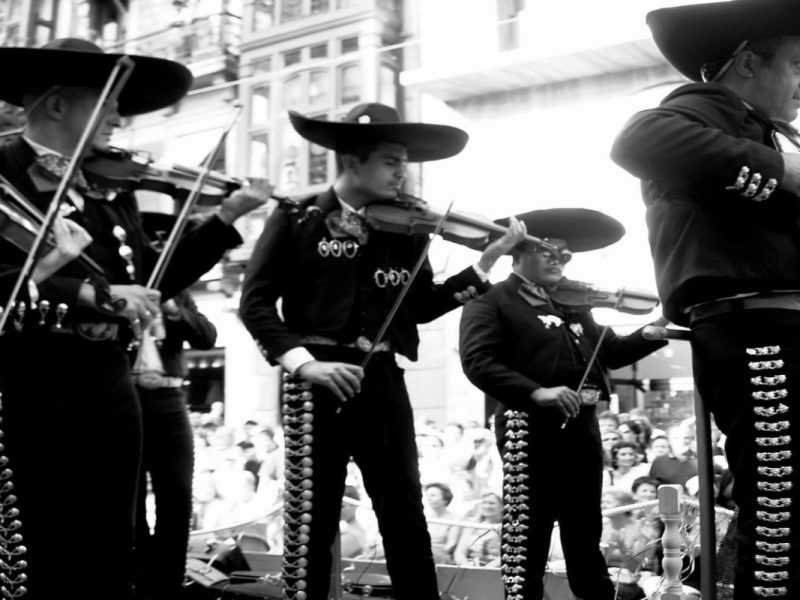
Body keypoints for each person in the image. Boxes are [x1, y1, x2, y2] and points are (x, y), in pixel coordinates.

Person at [0, 38, 271, 600]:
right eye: (109, 102)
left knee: (109, 544)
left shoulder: (104, 185)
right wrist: (88, 292)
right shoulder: (3, 171)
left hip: (107, 383)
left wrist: (222, 220)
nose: (120, 119)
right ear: (56, 105)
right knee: (42, 545)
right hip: (34, 382)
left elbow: (151, 282)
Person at [239, 102, 526, 600]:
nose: (403, 172)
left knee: (404, 510)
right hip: (315, 384)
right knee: (312, 515)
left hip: (383, 378)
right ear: (353, 161)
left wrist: (484, 265)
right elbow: (256, 305)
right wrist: (305, 363)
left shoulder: (408, 228)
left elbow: (418, 308)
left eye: (404, 162)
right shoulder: (296, 217)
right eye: (392, 160)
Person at [610, 2, 800, 596]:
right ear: (747, 62)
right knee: (779, 505)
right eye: (795, 66)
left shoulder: (759, 130)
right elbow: (637, 137)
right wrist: (786, 170)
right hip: (753, 324)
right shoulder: (701, 108)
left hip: (775, 320)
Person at [458, 208, 667, 600]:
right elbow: (478, 361)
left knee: (584, 528)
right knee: (529, 529)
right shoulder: (492, 298)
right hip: (529, 426)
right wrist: (537, 391)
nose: (560, 261)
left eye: (566, 255)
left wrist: (658, 328)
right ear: (518, 253)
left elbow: (612, 352)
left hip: (582, 426)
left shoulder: (574, 304)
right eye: (549, 251)